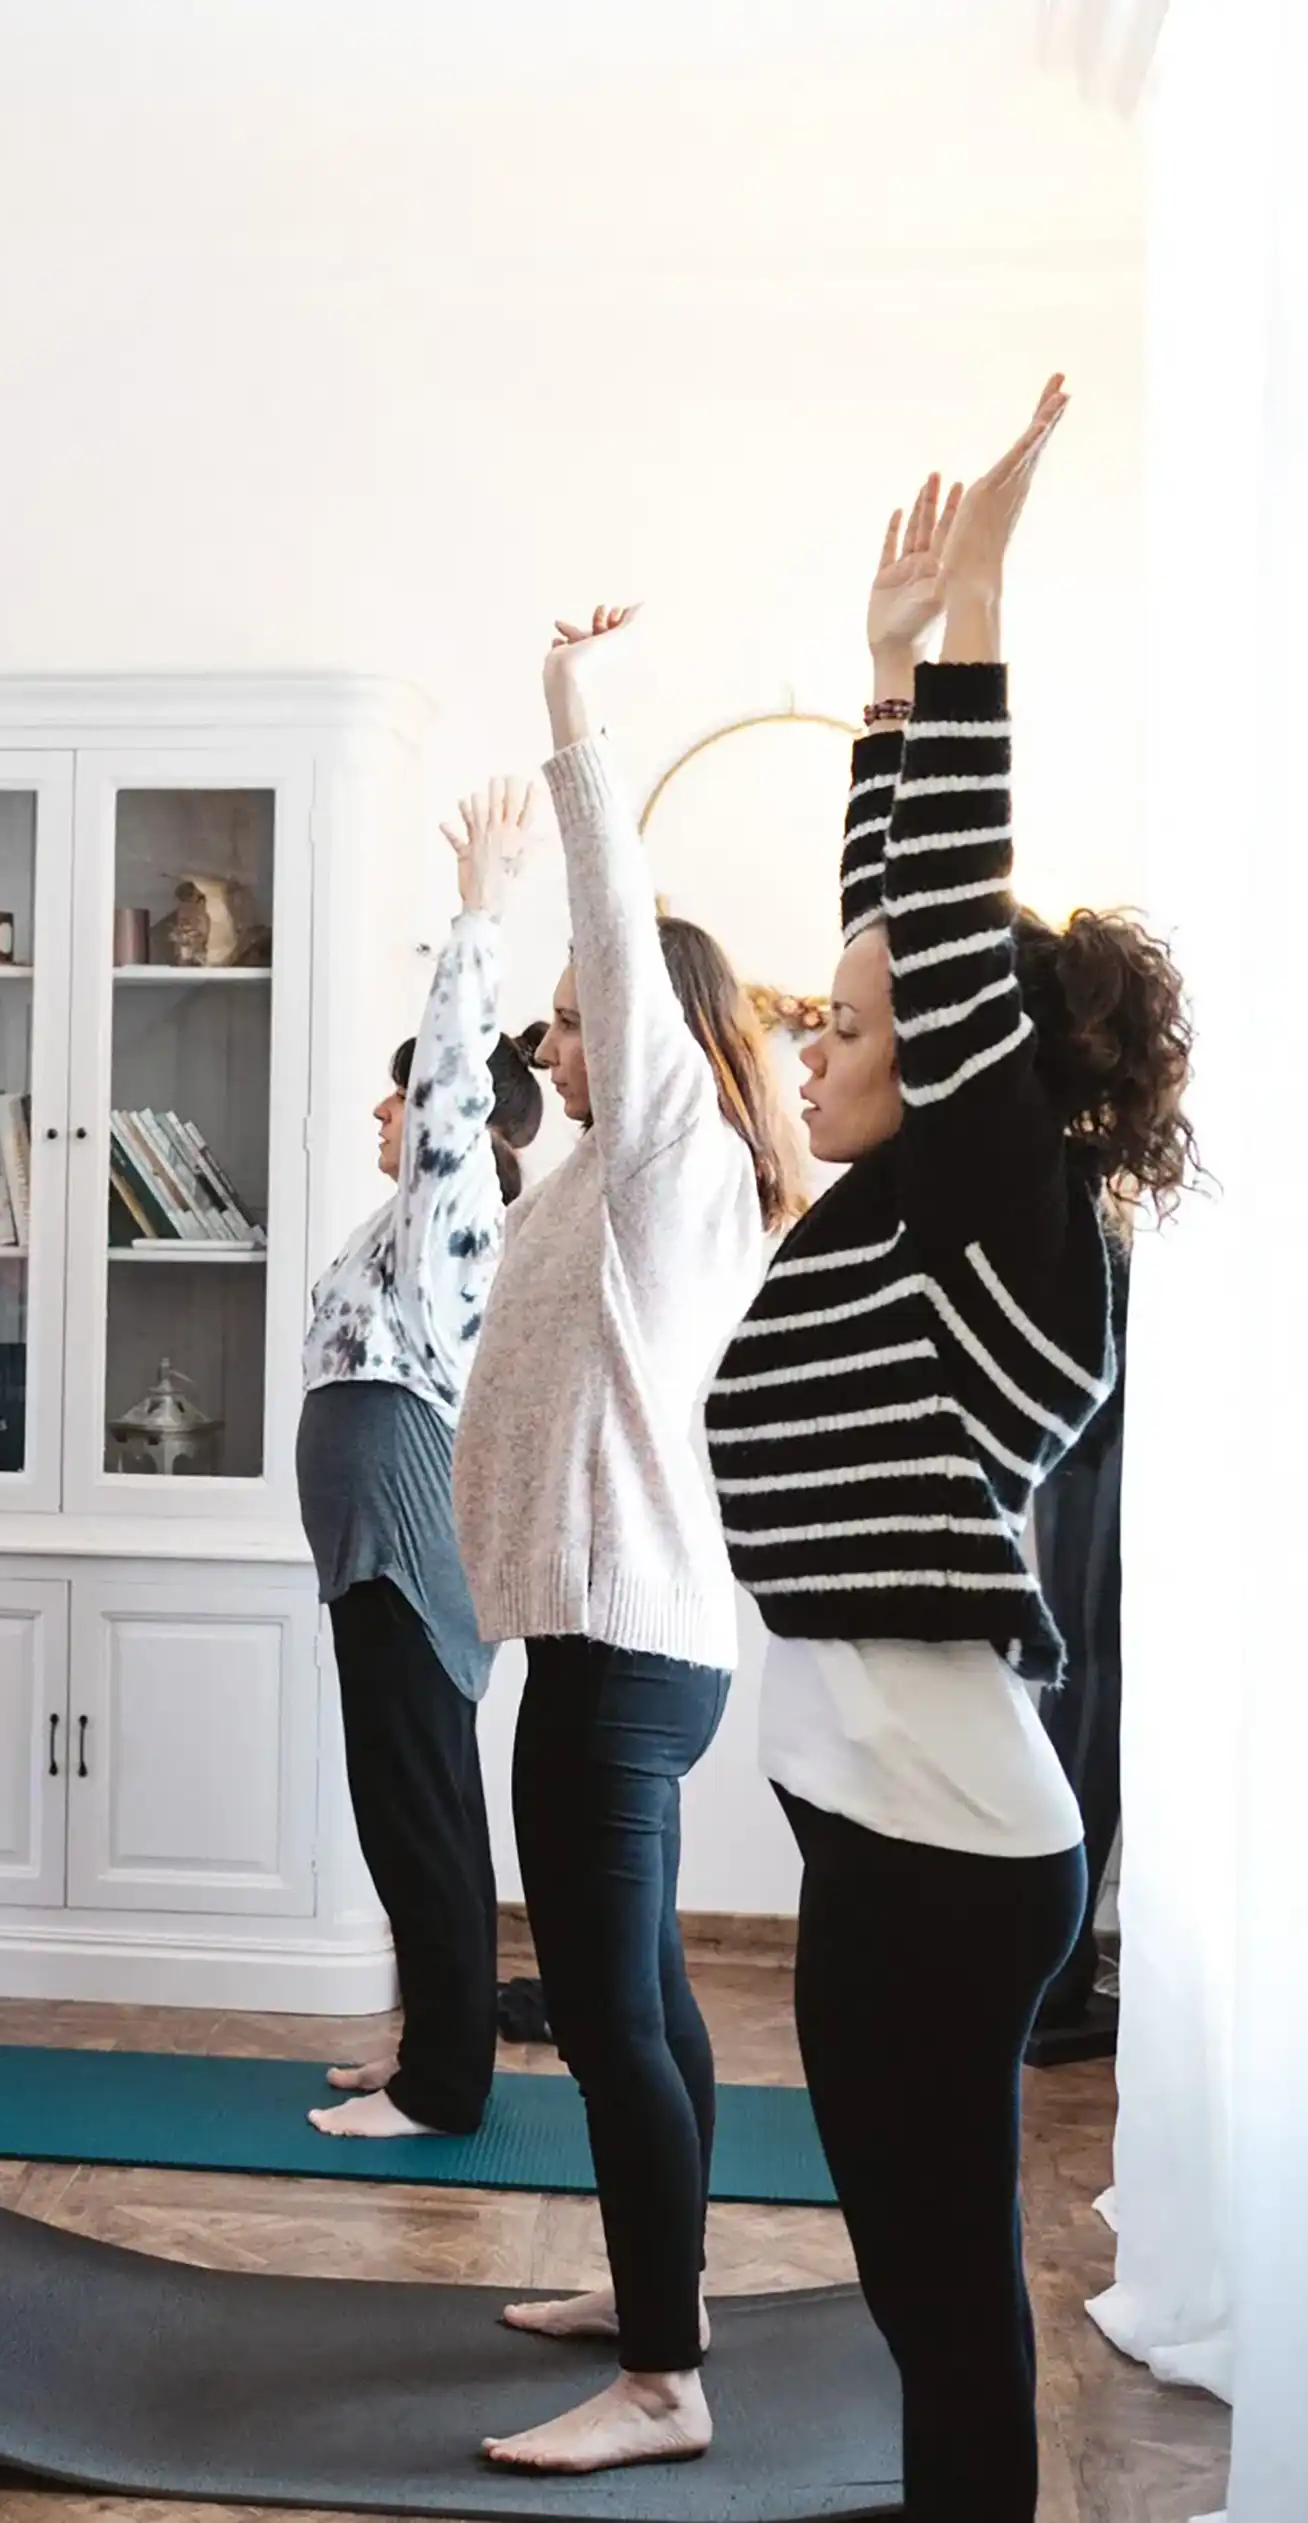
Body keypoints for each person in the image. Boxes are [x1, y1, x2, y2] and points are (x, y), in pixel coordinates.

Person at [704, 379, 1198, 2522]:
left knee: (944, 2289)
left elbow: (940, 946)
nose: (813, 1043)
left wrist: (976, 629)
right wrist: (880, 683)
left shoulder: (1011, 1231)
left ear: (960, 1067)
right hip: (868, 1815)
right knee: (915, 2291)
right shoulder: (912, 1219)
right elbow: (901, 943)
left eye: (844, 1025)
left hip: (947, 1850)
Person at [453, 606, 799, 2476]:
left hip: (622, 1646)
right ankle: (658, 2288)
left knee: (603, 2011)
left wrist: (571, 711)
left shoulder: (670, 1146)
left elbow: (611, 919)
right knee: (643, 1994)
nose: (559, 1033)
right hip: (605, 1636)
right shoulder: (594, 1165)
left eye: (585, 1014)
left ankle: (665, 2380)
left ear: (648, 1025)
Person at [298, 780, 543, 2143]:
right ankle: (424, 2052)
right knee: (410, 1811)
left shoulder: (456, 1207)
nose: (388, 1117)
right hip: (375, 1550)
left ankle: (446, 2086)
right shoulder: (410, 1227)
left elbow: (457, 1078)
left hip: (402, 1546)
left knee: (422, 1816)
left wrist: (478, 910)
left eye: (402, 1099)